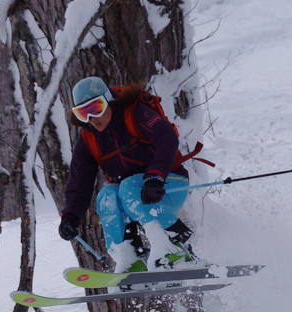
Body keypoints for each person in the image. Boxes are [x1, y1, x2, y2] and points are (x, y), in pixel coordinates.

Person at [58, 76, 195, 272]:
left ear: (108, 100)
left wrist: (156, 176)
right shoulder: (88, 139)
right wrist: (70, 216)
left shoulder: (135, 114)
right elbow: (80, 182)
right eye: (83, 113)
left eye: (95, 108)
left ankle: (176, 246)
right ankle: (132, 259)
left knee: (128, 187)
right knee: (107, 196)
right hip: (131, 194)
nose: (92, 118)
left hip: (168, 184)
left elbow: (167, 138)